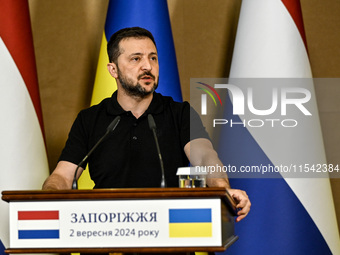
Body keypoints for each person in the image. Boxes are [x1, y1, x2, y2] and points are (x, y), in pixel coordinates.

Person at [42, 27, 250, 222]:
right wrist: (49, 197)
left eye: (153, 58)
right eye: (136, 59)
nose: (148, 66)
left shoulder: (180, 113)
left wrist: (222, 188)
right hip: (105, 231)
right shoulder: (90, 119)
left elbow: (205, 157)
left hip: (171, 231)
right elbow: (63, 175)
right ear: (113, 70)